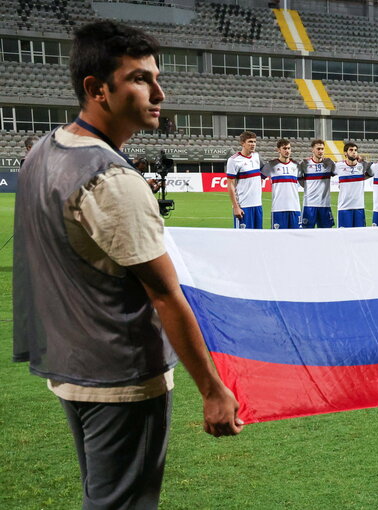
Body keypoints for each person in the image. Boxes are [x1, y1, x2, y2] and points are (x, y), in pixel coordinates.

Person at [13, 21, 242, 510]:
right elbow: (164, 294)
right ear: (97, 89)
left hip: (70, 365)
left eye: (156, 77)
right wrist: (214, 390)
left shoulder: (42, 152)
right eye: (140, 79)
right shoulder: (111, 179)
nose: (159, 92)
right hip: (121, 376)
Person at [226, 130, 263, 229]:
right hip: (244, 206)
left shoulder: (256, 156)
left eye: (254, 142)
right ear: (242, 143)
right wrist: (236, 207)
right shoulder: (233, 160)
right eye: (250, 142)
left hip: (258, 205)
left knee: (258, 238)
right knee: (242, 239)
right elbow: (230, 185)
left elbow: (264, 172)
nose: (253, 144)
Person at [298, 139, 337, 228]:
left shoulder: (329, 163)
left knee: (326, 233)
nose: (320, 151)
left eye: (322, 149)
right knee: (306, 233)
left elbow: (341, 173)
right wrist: (307, 187)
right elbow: (299, 179)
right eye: (318, 149)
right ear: (312, 149)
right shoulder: (304, 163)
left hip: (325, 205)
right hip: (309, 205)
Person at [331, 141, 371, 228]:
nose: (354, 152)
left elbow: (371, 173)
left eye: (355, 150)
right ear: (345, 153)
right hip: (344, 208)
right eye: (351, 150)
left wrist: (365, 162)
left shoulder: (362, 166)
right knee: (344, 237)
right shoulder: (338, 166)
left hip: (359, 207)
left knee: (360, 236)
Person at [264, 138, 301, 229]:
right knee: (278, 239)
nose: (287, 151)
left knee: (296, 238)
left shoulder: (296, 166)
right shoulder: (271, 165)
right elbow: (256, 179)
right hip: (278, 208)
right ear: (278, 150)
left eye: (289, 148)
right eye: (284, 148)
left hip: (295, 208)